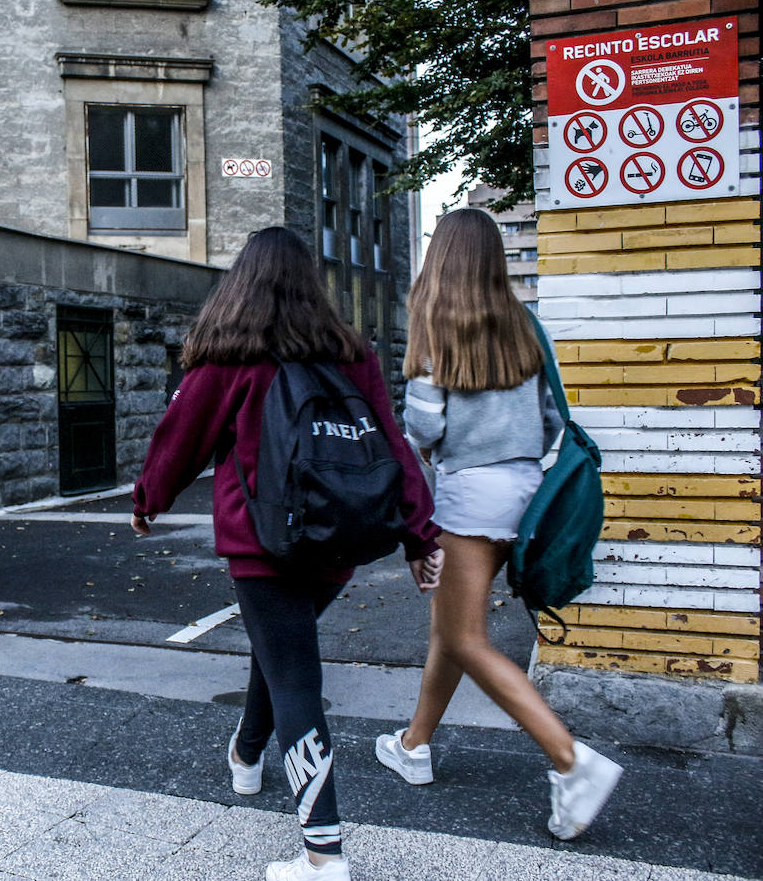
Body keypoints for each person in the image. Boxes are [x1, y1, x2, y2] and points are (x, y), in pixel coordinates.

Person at [131, 226, 444, 881]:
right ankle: (247, 755)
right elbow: (389, 440)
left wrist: (147, 499)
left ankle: (323, 853)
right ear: (310, 283)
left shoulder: (231, 348)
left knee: (295, 675)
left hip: (262, 540)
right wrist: (420, 533)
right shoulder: (348, 350)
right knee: (281, 650)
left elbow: (180, 436)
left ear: (242, 281)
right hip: (339, 536)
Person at [374, 207, 623, 841]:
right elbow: (550, 421)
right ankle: (415, 744)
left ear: (443, 258)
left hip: (469, 493)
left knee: (467, 639)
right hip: (524, 489)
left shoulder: (438, 327)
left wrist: (437, 448)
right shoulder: (524, 325)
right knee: (450, 629)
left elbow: (425, 426)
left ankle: (572, 762)